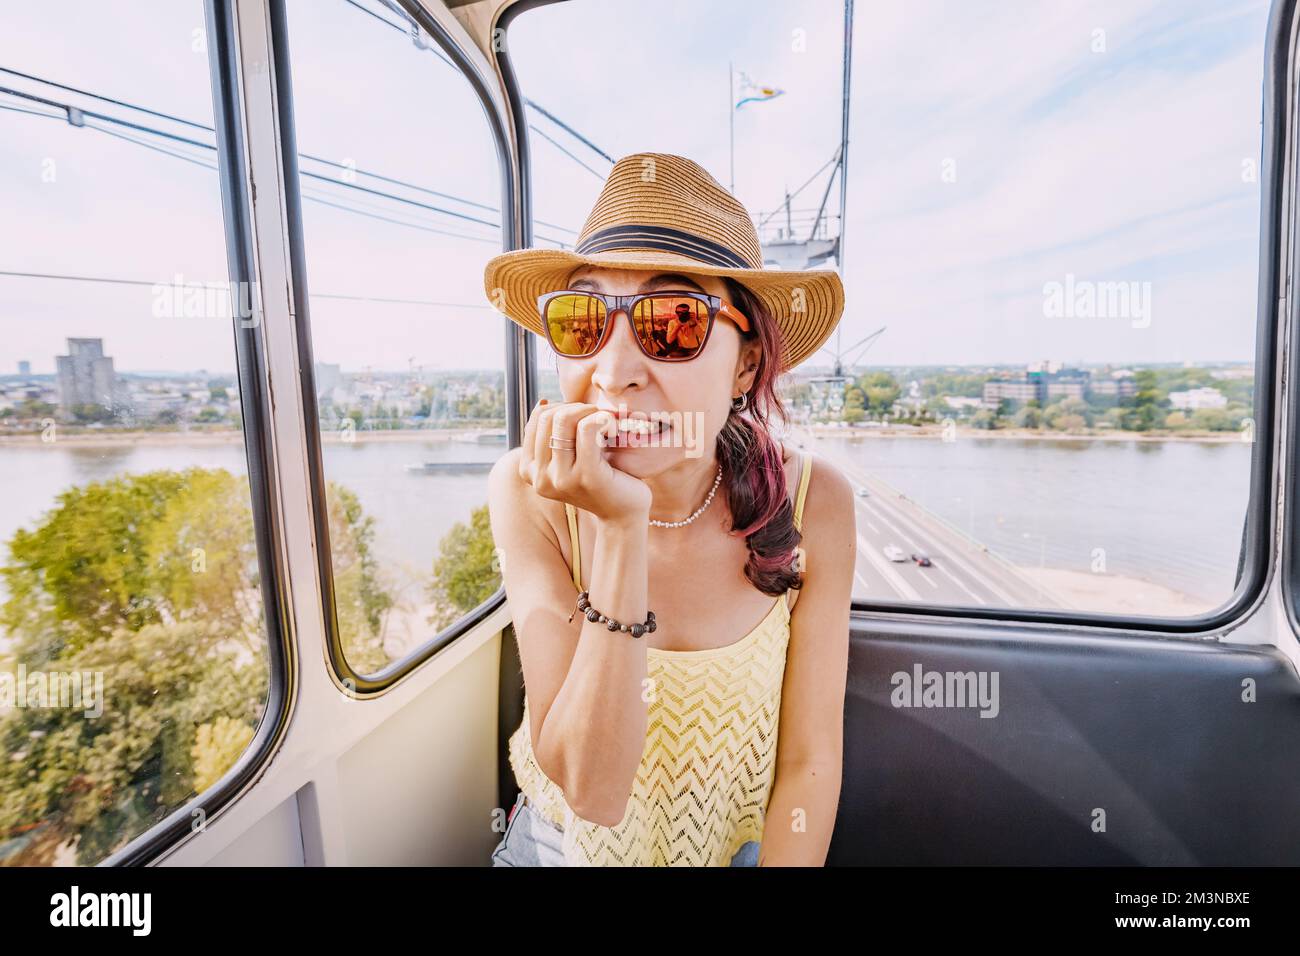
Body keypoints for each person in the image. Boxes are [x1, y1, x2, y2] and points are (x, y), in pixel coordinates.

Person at [482, 152, 854, 866]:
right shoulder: (530, 494)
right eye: (585, 320)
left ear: (746, 365)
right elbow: (591, 792)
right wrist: (620, 531)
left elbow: (811, 761)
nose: (615, 372)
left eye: (673, 322)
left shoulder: (816, 503)